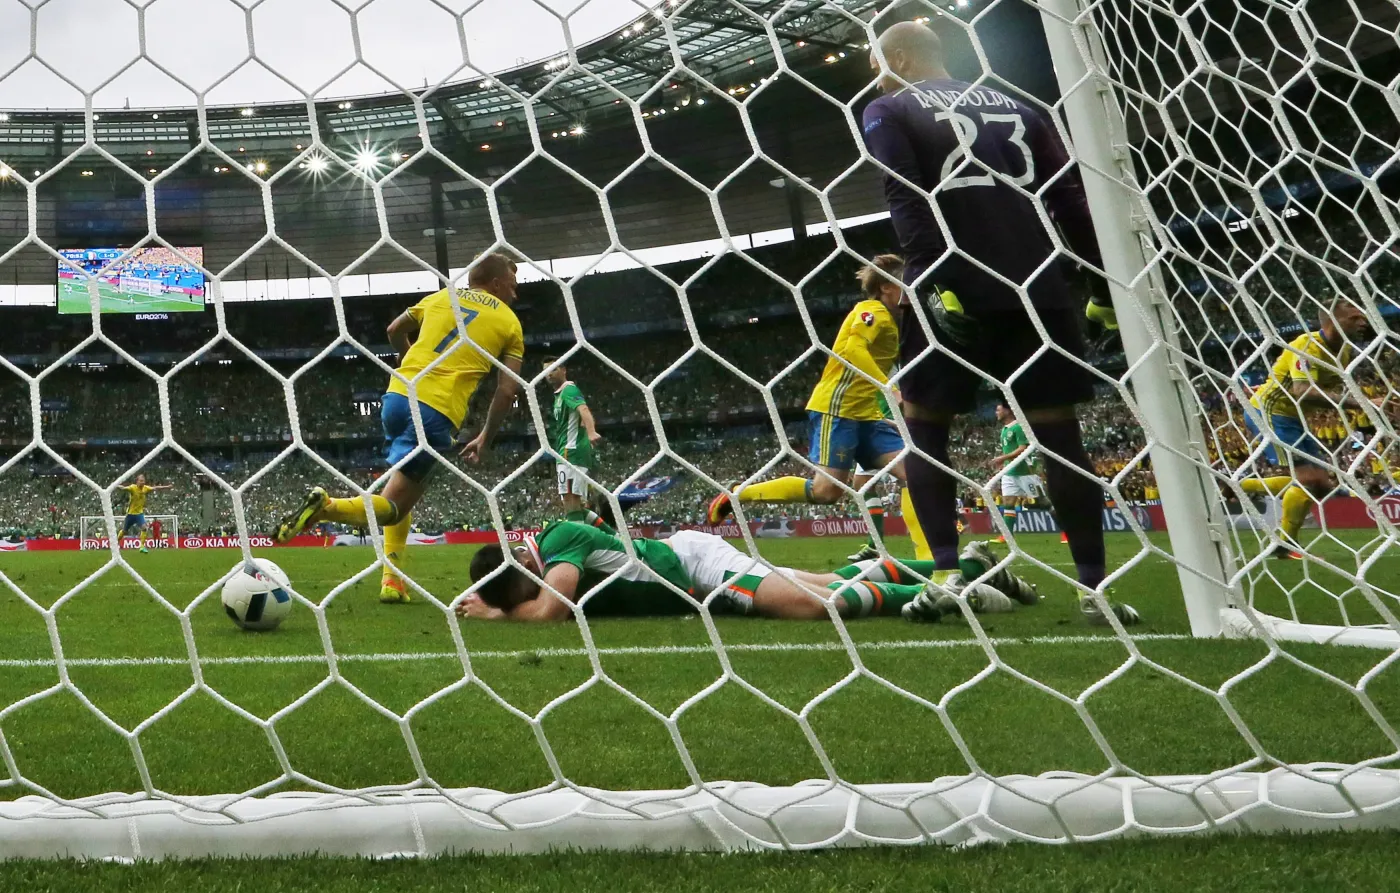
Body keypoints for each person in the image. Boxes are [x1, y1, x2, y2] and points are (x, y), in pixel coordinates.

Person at [861, 20, 1137, 626]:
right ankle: (1095, 589)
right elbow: (1070, 198)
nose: (873, 75)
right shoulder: (1021, 106)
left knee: (926, 433)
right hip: (1038, 287)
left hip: (954, 289)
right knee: (1061, 441)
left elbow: (905, 193)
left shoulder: (889, 107)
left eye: (876, 62)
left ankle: (946, 575)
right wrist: (1098, 282)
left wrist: (931, 280)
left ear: (900, 58)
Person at [274, 252, 524, 603]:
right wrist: (486, 436)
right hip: (436, 413)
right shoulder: (510, 322)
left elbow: (394, 330)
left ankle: (392, 582)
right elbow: (508, 389)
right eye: (512, 285)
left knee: (403, 494)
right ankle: (326, 507)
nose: (516, 293)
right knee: (393, 507)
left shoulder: (441, 296)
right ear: (496, 283)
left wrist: (407, 359)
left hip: (396, 397)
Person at [706, 255, 930, 559]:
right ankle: (739, 494)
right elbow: (853, 348)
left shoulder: (893, 320)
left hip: (866, 415)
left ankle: (929, 560)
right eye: (904, 279)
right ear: (887, 286)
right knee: (826, 492)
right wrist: (887, 386)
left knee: (916, 473)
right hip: (836, 410)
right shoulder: (871, 310)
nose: (910, 285)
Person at [457, 519, 1036, 623]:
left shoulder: (557, 542)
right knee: (832, 586)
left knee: (815, 608)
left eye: (524, 590)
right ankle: (967, 568)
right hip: (691, 572)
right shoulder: (536, 562)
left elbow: (552, 612)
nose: (532, 596)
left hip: (697, 567)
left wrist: (495, 616)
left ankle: (949, 587)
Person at [1239, 300, 1374, 558]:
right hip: (1269, 411)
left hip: (1294, 419)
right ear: (1332, 321)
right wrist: (1363, 404)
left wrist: (1361, 405)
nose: (1362, 322)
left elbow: (1328, 392)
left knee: (1323, 485)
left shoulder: (1343, 352)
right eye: (1354, 318)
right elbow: (1301, 391)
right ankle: (1283, 543)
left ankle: (1242, 487)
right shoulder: (1307, 345)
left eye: (1362, 318)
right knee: (1308, 480)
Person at [984, 401, 1067, 545]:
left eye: (998, 410)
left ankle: (1066, 533)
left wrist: (1003, 458)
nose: (996, 413)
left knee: (1044, 502)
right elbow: (1010, 450)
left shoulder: (1018, 427)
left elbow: (1023, 448)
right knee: (1008, 503)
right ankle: (1007, 537)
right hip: (1010, 472)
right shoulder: (1004, 430)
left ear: (1008, 411)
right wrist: (1004, 463)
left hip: (1026, 472)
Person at [542, 356, 602, 521]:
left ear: (563, 370)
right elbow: (578, 416)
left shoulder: (569, 390)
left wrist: (591, 432)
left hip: (571, 450)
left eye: (553, 369)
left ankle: (578, 539)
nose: (549, 374)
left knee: (570, 498)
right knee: (572, 500)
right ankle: (607, 534)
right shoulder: (559, 395)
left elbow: (583, 409)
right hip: (565, 451)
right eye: (546, 371)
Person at [119, 473, 172, 553]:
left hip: (139, 514)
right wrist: (115, 486)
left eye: (143, 481)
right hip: (130, 514)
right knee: (124, 531)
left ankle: (142, 547)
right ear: (137, 481)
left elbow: (156, 488)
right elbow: (123, 488)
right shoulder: (132, 487)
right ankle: (115, 542)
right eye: (141, 481)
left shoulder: (145, 488)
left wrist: (167, 487)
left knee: (144, 528)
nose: (142, 482)